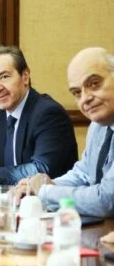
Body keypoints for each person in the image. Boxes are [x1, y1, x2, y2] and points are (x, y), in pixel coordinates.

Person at [19, 47, 114, 219]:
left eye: (94, 84)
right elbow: (84, 173)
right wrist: (40, 184)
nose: (85, 98)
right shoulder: (97, 126)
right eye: (77, 93)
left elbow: (107, 200)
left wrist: (45, 191)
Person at [0, 46, 77, 185]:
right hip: (5, 198)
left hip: (46, 198)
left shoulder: (48, 113)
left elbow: (41, 170)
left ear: (25, 77)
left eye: (4, 77)